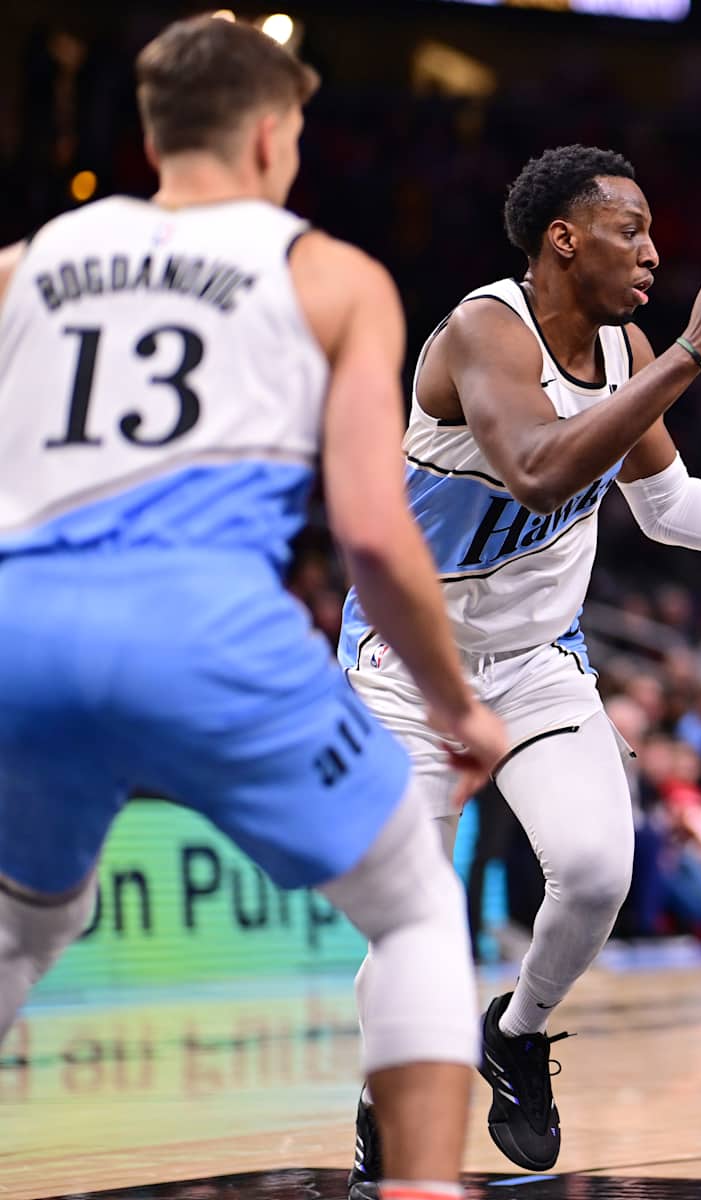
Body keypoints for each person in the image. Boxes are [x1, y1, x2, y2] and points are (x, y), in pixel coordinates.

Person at [0, 16, 509, 1200]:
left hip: (22, 628)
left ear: (151, 138)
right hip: (201, 625)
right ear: (274, 135)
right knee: (415, 906)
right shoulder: (330, 276)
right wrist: (457, 706)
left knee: (26, 925)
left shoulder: (26, 265)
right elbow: (373, 532)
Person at [337, 144, 701, 1181]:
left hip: (536, 657)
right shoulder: (483, 331)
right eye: (630, 230)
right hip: (408, 665)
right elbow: (540, 471)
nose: (653, 252)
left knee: (595, 874)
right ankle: (387, 1105)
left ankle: (517, 1034)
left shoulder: (627, 348)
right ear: (563, 239)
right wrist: (693, 354)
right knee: (417, 924)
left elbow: (665, 503)